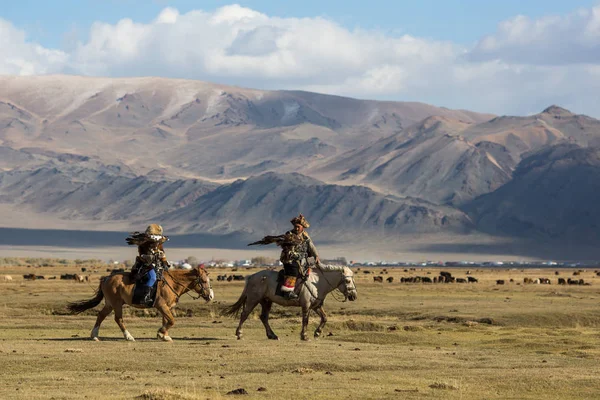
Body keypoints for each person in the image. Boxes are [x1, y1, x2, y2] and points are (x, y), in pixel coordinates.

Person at [248, 214, 320, 300]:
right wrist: (296, 256)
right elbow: (288, 249)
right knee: (293, 270)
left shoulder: (306, 237)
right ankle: (287, 292)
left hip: (302, 260)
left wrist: (316, 256)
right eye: (295, 227)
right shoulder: (289, 235)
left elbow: (311, 246)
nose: (296, 228)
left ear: (302, 227)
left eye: (298, 227)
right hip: (289, 259)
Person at [126, 224, 169, 306]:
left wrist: (165, 262)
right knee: (152, 277)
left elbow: (162, 253)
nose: (156, 236)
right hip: (145, 265)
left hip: (157, 264)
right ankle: (145, 296)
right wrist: (151, 257)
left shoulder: (159, 242)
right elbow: (142, 255)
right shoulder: (143, 242)